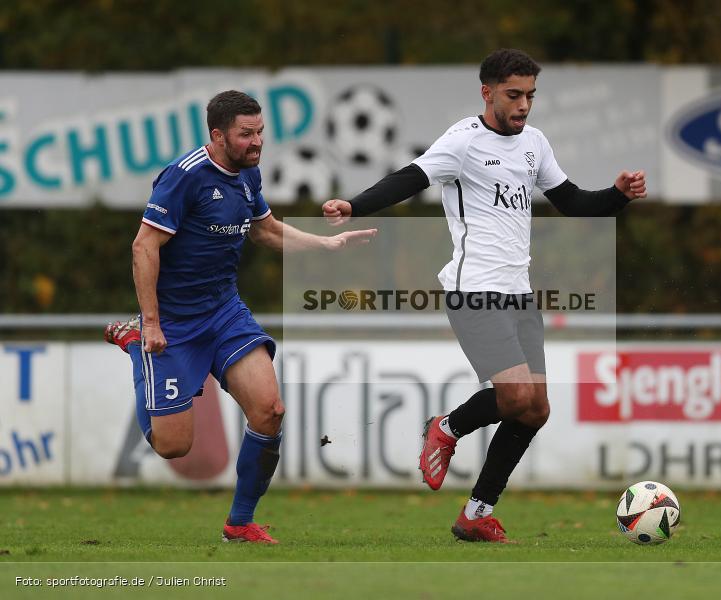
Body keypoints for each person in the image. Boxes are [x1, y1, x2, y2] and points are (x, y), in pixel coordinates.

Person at [323, 49, 646, 543]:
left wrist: (618, 194)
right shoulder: (463, 141)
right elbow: (410, 178)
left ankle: (476, 513)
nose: (524, 105)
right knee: (516, 396)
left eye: (530, 95)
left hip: (519, 294)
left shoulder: (535, 143)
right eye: (514, 95)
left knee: (535, 409)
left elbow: (574, 202)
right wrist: (355, 204)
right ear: (487, 92)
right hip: (474, 290)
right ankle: (447, 428)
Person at [105, 90, 376, 544]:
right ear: (218, 135)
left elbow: (265, 230)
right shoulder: (184, 177)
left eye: (260, 132)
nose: (257, 142)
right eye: (246, 134)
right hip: (173, 323)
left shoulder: (248, 174)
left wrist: (326, 245)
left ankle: (239, 523)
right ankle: (135, 345)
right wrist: (150, 323)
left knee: (270, 411)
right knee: (174, 445)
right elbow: (143, 245)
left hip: (224, 313)